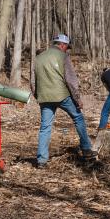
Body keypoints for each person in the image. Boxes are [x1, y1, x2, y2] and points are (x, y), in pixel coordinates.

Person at [32, 34, 94, 167]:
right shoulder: (63, 56)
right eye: (67, 47)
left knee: (45, 127)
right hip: (62, 95)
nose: (67, 50)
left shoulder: (38, 58)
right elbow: (71, 80)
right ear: (62, 45)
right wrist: (77, 99)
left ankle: (41, 160)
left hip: (45, 97)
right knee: (78, 118)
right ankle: (87, 149)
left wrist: (38, 95)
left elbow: (33, 81)